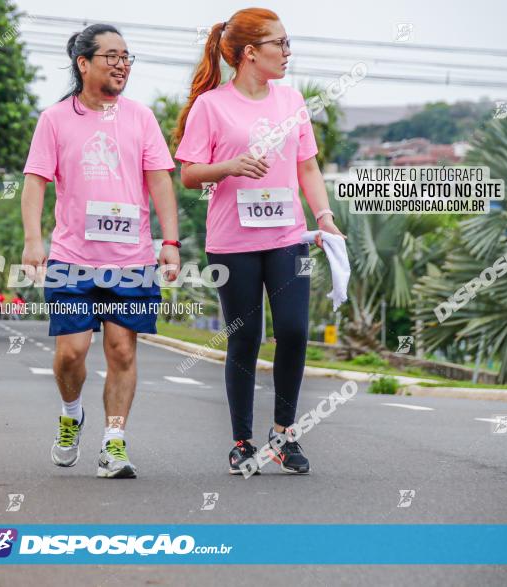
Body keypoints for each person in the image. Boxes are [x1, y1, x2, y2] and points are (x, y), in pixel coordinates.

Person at [174, 8, 345, 475]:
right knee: (245, 338)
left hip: (288, 238)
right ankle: (242, 441)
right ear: (251, 53)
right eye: (280, 44)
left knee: (293, 331)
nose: (288, 53)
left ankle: (285, 434)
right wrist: (228, 166)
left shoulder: (291, 102)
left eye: (289, 44)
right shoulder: (212, 106)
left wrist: (324, 215)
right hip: (232, 242)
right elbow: (188, 173)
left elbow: (307, 166)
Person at [21, 24, 180, 479]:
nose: (121, 64)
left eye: (127, 56)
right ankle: (72, 413)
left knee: (122, 351)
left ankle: (114, 443)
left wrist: (169, 243)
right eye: (111, 55)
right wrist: (34, 239)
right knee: (71, 352)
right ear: (83, 63)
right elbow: (35, 181)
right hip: (73, 258)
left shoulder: (140, 117)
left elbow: (160, 181)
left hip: (130, 259)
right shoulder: (54, 119)